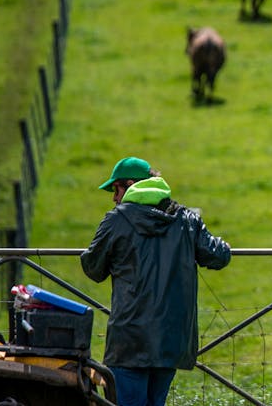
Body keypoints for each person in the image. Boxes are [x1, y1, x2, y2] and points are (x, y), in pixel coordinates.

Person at [81, 156, 231, 406]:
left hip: (129, 341)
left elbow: (92, 268)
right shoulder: (186, 218)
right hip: (171, 340)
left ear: (130, 184)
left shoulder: (116, 219)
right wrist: (224, 244)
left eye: (115, 189)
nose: (114, 198)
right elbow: (218, 255)